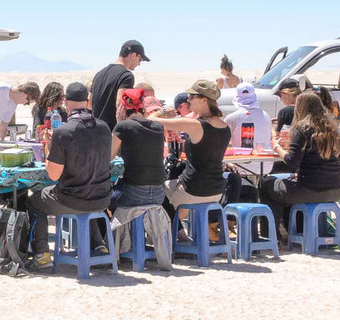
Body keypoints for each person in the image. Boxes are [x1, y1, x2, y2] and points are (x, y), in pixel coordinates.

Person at [25, 80, 119, 256]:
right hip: (102, 198)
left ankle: (42, 253)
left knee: (34, 202)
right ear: (87, 102)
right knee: (85, 192)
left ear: (66, 102)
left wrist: (49, 147)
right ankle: (98, 245)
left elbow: (53, 175)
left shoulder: (64, 131)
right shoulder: (104, 128)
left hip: (72, 199)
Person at [139, 80, 232, 224]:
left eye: (192, 96)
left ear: (204, 100)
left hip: (194, 189)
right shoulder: (225, 126)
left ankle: (170, 235)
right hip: (216, 191)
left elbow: (151, 120)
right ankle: (177, 232)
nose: (188, 100)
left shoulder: (195, 125)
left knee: (154, 192)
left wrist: (162, 111)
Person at [264, 91, 340, 234]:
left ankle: (272, 236)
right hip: (337, 190)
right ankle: (297, 232)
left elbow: (291, 162)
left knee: (266, 185)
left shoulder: (302, 128)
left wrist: (276, 147)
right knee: (286, 186)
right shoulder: (331, 129)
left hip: (313, 190)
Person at [112, 88, 170, 210]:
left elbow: (109, 156)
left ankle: (115, 229)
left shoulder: (123, 127)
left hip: (133, 193)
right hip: (159, 194)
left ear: (123, 108)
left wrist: (119, 123)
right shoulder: (158, 127)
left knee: (106, 200)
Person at [90, 40, 145, 128]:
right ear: (133, 55)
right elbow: (120, 104)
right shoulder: (126, 76)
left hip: (96, 131)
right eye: (140, 59)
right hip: (112, 131)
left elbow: (89, 103)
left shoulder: (99, 74)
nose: (139, 64)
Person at [223, 83, 273, 152]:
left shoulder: (232, 117)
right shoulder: (266, 115)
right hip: (264, 159)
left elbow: (222, 138)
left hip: (241, 160)